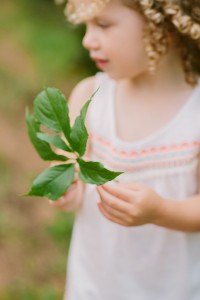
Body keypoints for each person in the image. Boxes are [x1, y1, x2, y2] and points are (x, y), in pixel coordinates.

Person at [50, 0, 200, 299]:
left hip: (172, 289)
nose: (87, 39)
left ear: (164, 29)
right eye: (87, 25)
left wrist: (160, 211)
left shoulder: (194, 116)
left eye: (103, 25)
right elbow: (69, 168)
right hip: (93, 286)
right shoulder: (89, 97)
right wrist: (65, 190)